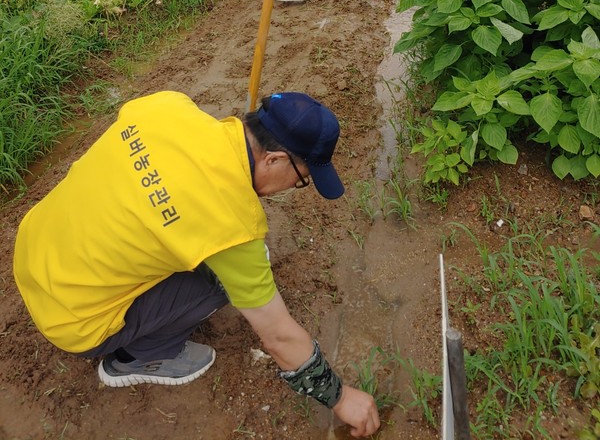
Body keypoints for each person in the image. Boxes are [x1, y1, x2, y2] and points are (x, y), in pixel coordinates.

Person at [13, 90, 380, 438]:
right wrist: (341, 398)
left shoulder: (167, 107)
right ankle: (136, 358)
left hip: (32, 254)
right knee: (219, 282)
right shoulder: (229, 225)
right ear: (275, 159)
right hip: (73, 322)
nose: (293, 187)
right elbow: (279, 336)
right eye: (302, 180)